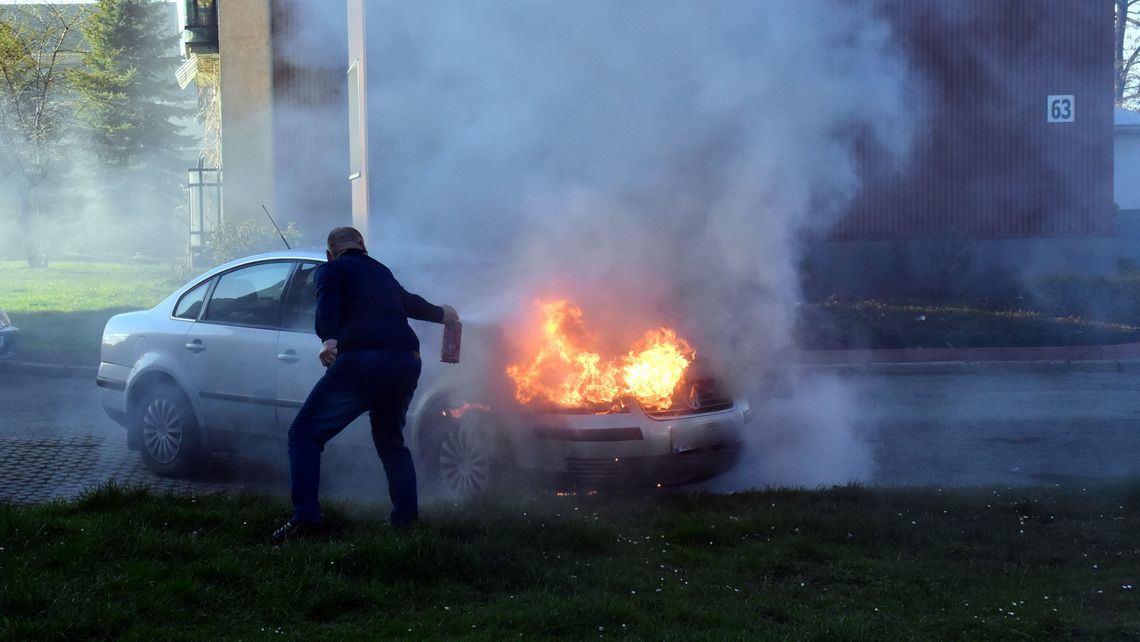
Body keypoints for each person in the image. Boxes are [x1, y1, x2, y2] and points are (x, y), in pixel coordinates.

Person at [271, 226, 458, 543]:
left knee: (304, 434)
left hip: (363, 362)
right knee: (391, 441)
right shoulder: (381, 270)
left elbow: (327, 304)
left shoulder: (330, 270)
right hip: (406, 361)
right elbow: (409, 303)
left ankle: (306, 521)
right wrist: (444, 313)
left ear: (330, 253)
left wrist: (328, 339)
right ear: (363, 247)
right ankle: (406, 522)